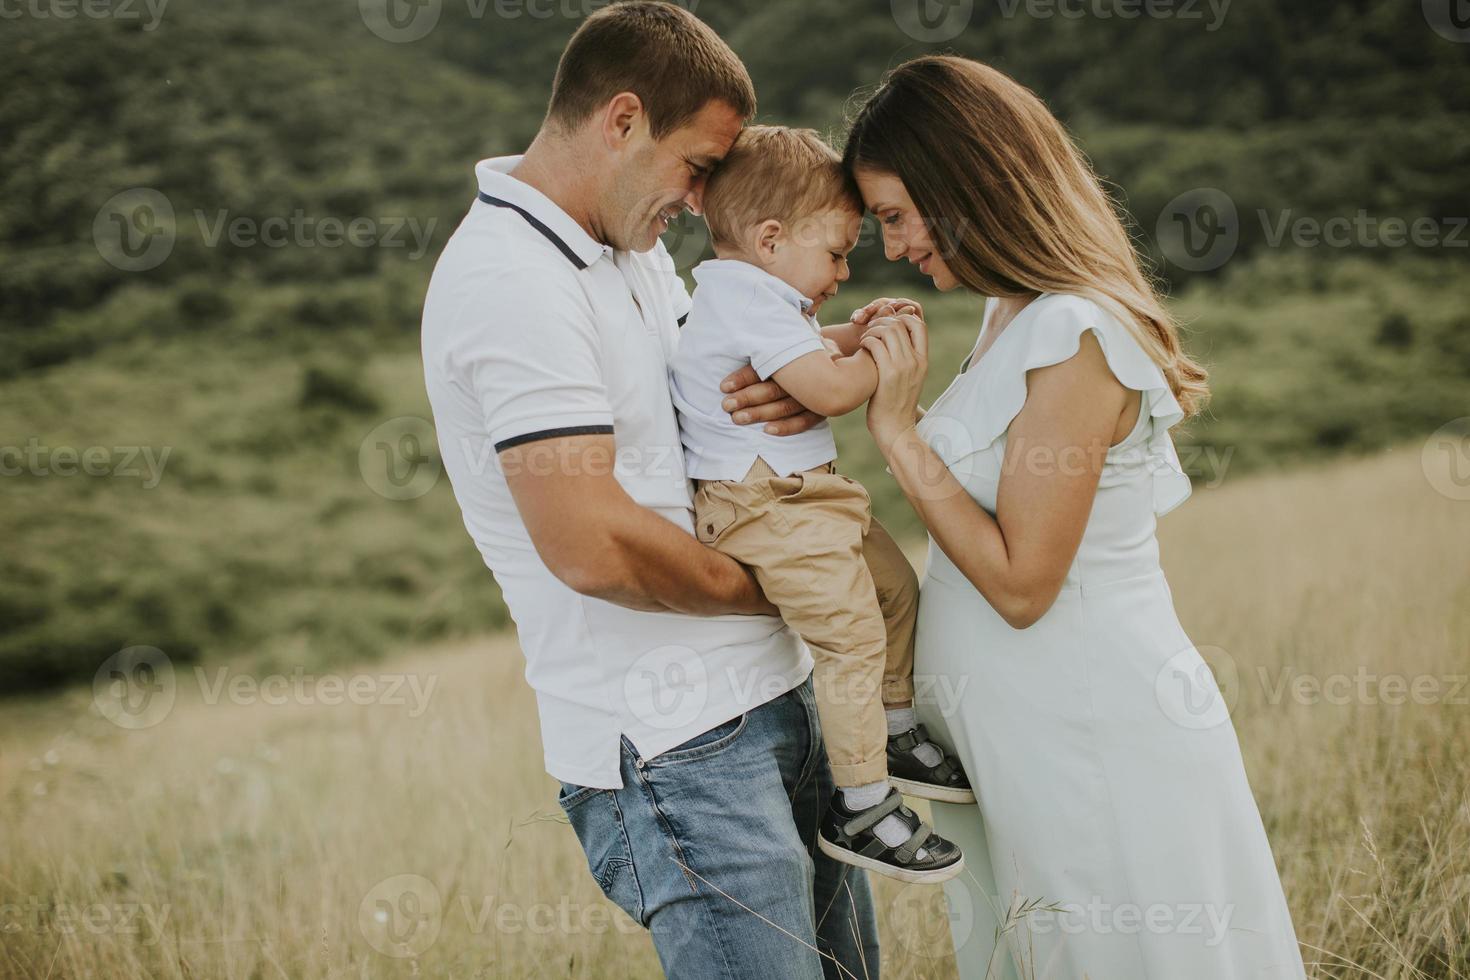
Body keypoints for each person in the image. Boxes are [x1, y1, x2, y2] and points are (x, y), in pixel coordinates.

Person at [420, 4, 878, 977]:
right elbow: (595, 543)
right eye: (698, 167)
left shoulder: (630, 249)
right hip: (678, 740)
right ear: (621, 120)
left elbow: (702, 409)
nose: (706, 196)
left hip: (777, 693)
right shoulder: (511, 281)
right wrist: (786, 584)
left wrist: (810, 371)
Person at [833, 54, 1310, 978]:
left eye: (895, 215)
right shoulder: (1008, 317)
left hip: (1096, 737)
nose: (890, 247)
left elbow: (1021, 585)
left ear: (962, 184)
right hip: (1025, 743)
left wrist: (899, 433)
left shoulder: (1077, 333)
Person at [669, 124, 971, 885]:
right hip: (764, 505)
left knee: (896, 592)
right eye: (836, 252)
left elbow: (809, 349)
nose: (843, 271)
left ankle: (893, 727)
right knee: (849, 637)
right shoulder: (749, 301)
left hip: (810, 499)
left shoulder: (762, 296)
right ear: (772, 238)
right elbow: (831, 389)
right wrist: (885, 358)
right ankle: (862, 803)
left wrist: (851, 331)